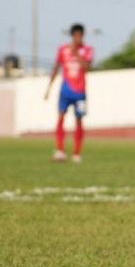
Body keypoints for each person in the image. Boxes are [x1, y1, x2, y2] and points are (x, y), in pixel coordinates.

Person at [43, 23, 93, 163]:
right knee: (60, 118)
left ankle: (77, 153)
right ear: (72, 35)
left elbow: (88, 68)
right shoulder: (63, 50)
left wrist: (77, 54)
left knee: (79, 121)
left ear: (83, 35)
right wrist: (49, 88)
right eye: (75, 35)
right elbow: (56, 68)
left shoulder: (87, 50)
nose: (78, 38)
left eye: (80, 35)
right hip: (65, 91)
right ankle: (60, 151)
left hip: (80, 92)